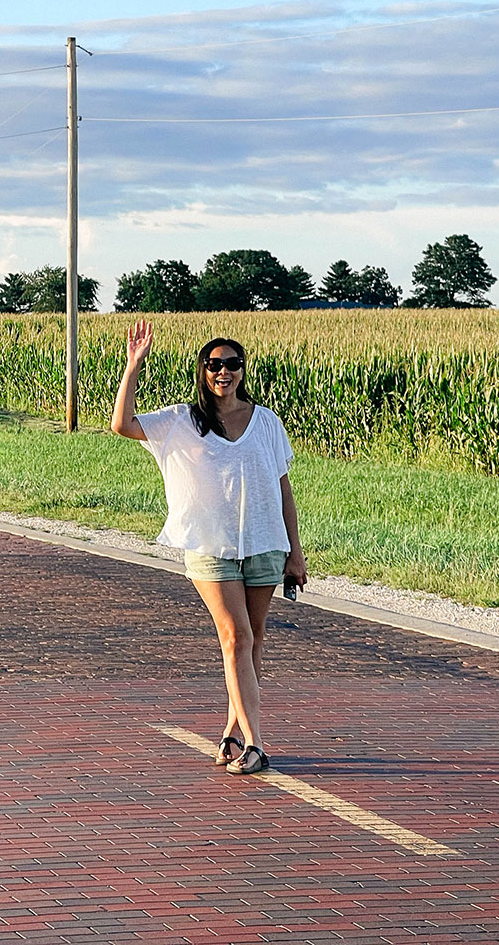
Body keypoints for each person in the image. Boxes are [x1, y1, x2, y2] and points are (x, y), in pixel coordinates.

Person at [110, 318, 306, 775]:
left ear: (243, 370)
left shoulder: (267, 422)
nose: (224, 372)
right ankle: (257, 744)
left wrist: (295, 550)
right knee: (234, 636)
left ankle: (232, 733)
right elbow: (122, 424)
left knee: (252, 642)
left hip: (263, 543)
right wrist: (133, 366)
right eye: (215, 364)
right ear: (202, 370)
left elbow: (283, 488)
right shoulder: (181, 421)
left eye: (232, 364)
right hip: (209, 546)